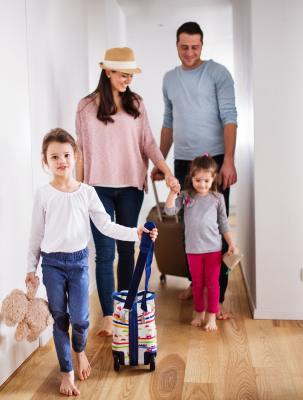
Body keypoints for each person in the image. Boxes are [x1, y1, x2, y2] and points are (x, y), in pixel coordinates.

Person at [26, 128, 158, 396]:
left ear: (75, 156)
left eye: (66, 154)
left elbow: (107, 226)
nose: (61, 160)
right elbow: (36, 235)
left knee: (81, 319)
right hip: (51, 265)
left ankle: (79, 350)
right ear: (45, 161)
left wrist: (136, 232)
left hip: (78, 264)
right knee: (60, 319)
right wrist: (31, 267)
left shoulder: (87, 192)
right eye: (54, 157)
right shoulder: (43, 194)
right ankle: (67, 371)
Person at [75, 47, 176, 338]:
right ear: (107, 71)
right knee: (104, 254)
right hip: (97, 189)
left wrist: (167, 173)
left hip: (132, 186)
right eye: (122, 74)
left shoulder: (136, 104)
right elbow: (80, 152)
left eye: (131, 75)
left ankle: (126, 308)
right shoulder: (85, 107)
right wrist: (78, 193)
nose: (127, 80)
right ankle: (108, 316)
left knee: (127, 249)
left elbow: (149, 144)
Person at [150, 22, 237, 319]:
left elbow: (230, 118)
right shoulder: (169, 79)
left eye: (195, 47)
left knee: (214, 225)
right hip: (183, 161)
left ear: (202, 46)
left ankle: (218, 296)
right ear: (176, 46)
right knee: (189, 226)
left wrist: (229, 161)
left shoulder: (218, 73)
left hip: (214, 159)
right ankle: (195, 285)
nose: (189, 53)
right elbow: (168, 121)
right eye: (184, 47)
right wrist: (160, 163)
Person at [164, 155, 239, 331]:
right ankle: (199, 314)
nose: (202, 184)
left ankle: (211, 317)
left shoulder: (218, 198)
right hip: (193, 250)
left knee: (213, 283)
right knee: (197, 283)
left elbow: (224, 224)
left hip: (213, 249)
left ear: (213, 178)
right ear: (191, 176)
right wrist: (172, 193)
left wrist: (232, 244)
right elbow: (169, 210)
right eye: (198, 180)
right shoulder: (185, 196)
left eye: (206, 180)